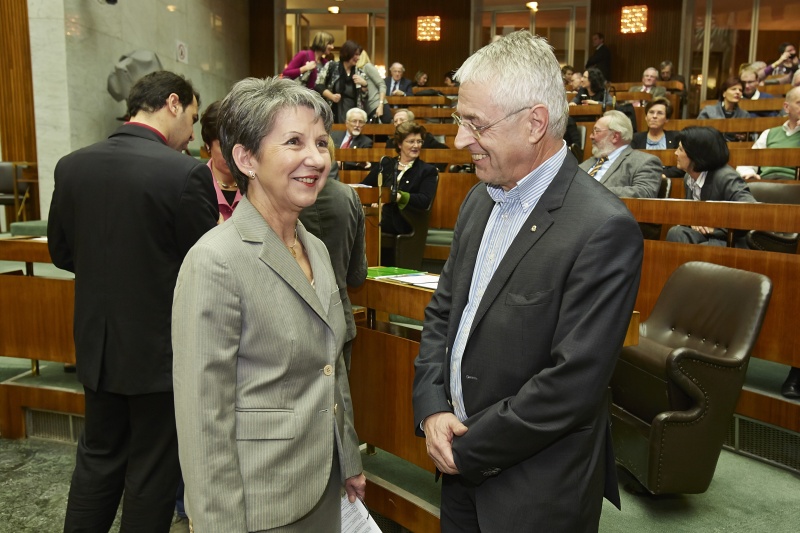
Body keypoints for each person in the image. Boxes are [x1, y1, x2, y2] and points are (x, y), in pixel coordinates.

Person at [412, 30, 643, 532]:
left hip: (536, 491)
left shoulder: (603, 228)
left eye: (475, 124)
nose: (459, 140)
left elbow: (572, 385)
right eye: (459, 120)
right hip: (456, 471)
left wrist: (466, 444)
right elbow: (443, 313)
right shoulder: (479, 199)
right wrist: (431, 409)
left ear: (535, 123)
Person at [172, 76, 366, 531]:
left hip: (323, 483)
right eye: (294, 141)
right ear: (246, 158)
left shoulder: (314, 246)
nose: (316, 158)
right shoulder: (215, 261)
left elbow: (330, 365)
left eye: (322, 141)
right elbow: (204, 421)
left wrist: (349, 456)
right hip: (259, 504)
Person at [47, 71, 218, 532]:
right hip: (159, 354)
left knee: (97, 460)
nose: (192, 133)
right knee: (152, 471)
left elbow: (61, 252)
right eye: (194, 118)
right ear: (173, 103)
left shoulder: (73, 164)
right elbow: (206, 270)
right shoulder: (184, 174)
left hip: (97, 349)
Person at [299, 137, 368, 371]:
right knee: (339, 403)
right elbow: (357, 276)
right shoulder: (349, 196)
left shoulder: (284, 198)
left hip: (297, 323)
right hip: (340, 319)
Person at [666, 126, 756, 247]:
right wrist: (693, 222)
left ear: (696, 154)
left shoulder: (726, 177)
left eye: (680, 149)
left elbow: (752, 213)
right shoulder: (689, 177)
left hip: (730, 241)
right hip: (706, 237)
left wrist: (715, 229)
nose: (675, 153)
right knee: (676, 233)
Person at [362, 120, 439, 238]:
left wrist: (397, 196)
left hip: (405, 219)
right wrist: (374, 201)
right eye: (411, 141)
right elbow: (365, 187)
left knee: (369, 221)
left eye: (419, 141)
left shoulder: (427, 170)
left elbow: (424, 200)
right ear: (399, 144)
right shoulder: (386, 164)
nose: (416, 145)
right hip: (380, 216)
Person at [580, 110, 661, 198]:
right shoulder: (589, 162)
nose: (591, 136)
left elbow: (644, 193)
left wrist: (593, 190)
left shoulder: (644, 162)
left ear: (615, 136)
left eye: (596, 131)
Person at [736, 86, 800, 180]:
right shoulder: (769, 133)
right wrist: (749, 173)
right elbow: (748, 162)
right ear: (786, 107)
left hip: (794, 184)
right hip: (766, 182)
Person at [200, 100, 242, 221]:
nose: (232, 154)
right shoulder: (197, 186)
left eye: (238, 144)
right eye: (223, 145)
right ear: (208, 144)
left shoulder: (255, 184)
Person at [316, 40, 367, 123]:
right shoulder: (331, 66)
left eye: (359, 55)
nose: (358, 58)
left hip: (352, 113)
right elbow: (318, 85)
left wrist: (364, 84)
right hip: (333, 110)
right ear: (348, 53)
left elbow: (364, 97)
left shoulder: (359, 73)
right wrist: (331, 96)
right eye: (356, 55)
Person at [631, 97, 683, 177]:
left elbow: (681, 167)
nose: (654, 116)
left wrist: (661, 175)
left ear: (667, 119)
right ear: (646, 117)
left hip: (668, 180)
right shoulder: (635, 138)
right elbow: (630, 166)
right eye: (651, 112)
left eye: (660, 113)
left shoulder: (675, 137)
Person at [697, 76, 752, 141]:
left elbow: (750, 137)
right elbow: (698, 132)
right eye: (733, 89)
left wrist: (743, 137)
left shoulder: (744, 115)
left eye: (740, 90)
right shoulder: (708, 111)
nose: (738, 92)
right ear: (724, 93)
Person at [356, 50, 390, 124]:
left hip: (377, 106)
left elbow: (382, 85)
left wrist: (380, 105)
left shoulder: (367, 66)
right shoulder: (356, 70)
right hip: (368, 109)